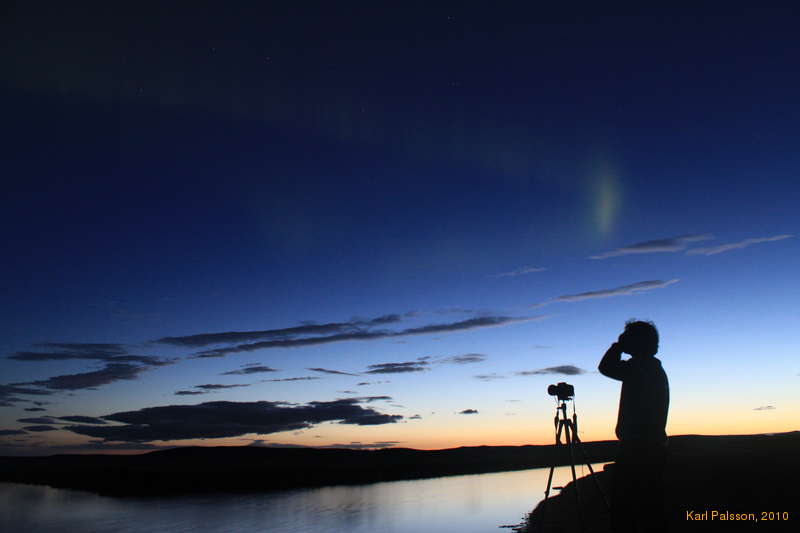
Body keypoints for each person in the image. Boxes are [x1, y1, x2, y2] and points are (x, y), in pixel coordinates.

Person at [599, 320, 669, 533]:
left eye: (627, 337)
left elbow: (606, 367)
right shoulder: (651, 368)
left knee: (627, 512)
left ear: (638, 342)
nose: (623, 339)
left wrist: (617, 346)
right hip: (650, 447)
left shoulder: (640, 368)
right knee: (647, 509)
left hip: (638, 450)